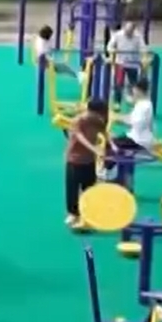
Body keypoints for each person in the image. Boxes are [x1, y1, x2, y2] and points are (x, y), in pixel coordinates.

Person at [63, 98, 108, 228]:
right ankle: (73, 214)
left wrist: (112, 143)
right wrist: (95, 149)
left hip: (89, 160)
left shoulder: (97, 120)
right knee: (72, 189)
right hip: (74, 160)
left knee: (89, 188)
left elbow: (104, 132)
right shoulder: (78, 121)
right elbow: (80, 137)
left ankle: (88, 214)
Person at [110, 75, 157, 154]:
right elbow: (132, 117)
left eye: (134, 91)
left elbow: (133, 122)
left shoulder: (143, 106)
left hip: (138, 141)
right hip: (141, 139)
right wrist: (117, 117)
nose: (133, 93)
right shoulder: (145, 103)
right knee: (113, 137)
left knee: (109, 143)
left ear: (138, 90)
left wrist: (117, 119)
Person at [106, 15, 148, 90]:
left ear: (133, 30)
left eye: (130, 32)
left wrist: (143, 58)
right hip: (120, 63)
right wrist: (113, 51)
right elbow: (109, 46)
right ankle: (117, 96)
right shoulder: (118, 35)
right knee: (118, 83)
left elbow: (143, 48)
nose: (128, 33)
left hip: (133, 63)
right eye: (126, 31)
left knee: (133, 83)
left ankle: (133, 95)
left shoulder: (138, 36)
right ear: (124, 28)